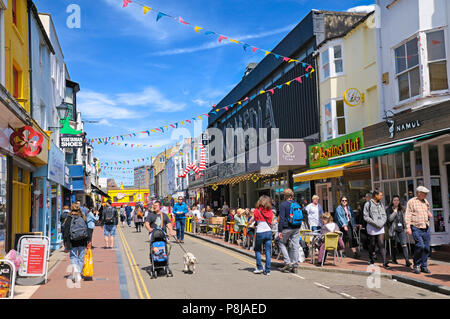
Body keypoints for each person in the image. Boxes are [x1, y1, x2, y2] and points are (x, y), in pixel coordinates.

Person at [405, 186, 432, 274]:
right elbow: (408, 215)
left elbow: (427, 210)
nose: (426, 195)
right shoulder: (411, 202)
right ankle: (416, 264)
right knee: (420, 245)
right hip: (416, 227)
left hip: (426, 226)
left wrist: (428, 213)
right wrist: (408, 227)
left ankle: (424, 266)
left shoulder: (425, 201)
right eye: (425, 193)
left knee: (427, 248)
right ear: (419, 193)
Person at [278, 189, 302, 274]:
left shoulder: (283, 204)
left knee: (281, 242)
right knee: (295, 245)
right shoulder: (297, 204)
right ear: (292, 195)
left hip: (287, 227)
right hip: (296, 227)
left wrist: (280, 230)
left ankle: (287, 262)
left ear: (285, 196)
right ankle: (295, 265)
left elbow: (281, 218)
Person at [364, 190, 389, 269]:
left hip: (381, 227)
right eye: (380, 195)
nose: (382, 197)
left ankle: (385, 262)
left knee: (381, 243)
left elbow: (384, 215)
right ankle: (371, 258)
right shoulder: (368, 204)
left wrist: (382, 223)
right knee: (372, 243)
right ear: (375, 195)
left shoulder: (381, 204)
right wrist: (375, 223)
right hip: (372, 226)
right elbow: (366, 216)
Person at [63, 203, 88, 282]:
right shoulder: (83, 217)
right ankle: (79, 273)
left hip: (72, 240)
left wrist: (65, 242)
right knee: (81, 258)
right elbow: (87, 229)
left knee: (73, 257)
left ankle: (76, 271)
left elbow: (66, 231)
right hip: (82, 240)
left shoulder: (69, 218)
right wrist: (88, 241)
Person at [249, 195, 273, 275]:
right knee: (268, 251)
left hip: (260, 232)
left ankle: (259, 268)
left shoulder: (256, 210)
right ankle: (267, 270)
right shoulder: (270, 211)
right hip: (269, 232)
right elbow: (271, 221)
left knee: (258, 250)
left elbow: (254, 220)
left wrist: (249, 224)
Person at [387, 195, 411, 267]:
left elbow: (404, 219)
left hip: (401, 229)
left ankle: (407, 260)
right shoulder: (389, 209)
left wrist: (407, 227)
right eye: (394, 200)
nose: (396, 202)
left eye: (397, 200)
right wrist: (394, 212)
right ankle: (394, 259)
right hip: (393, 229)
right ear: (392, 201)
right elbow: (389, 219)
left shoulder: (402, 209)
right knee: (394, 245)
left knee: (404, 244)